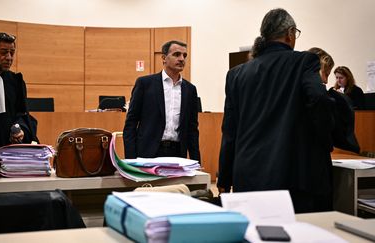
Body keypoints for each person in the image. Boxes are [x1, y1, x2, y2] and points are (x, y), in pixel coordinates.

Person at [218, 8, 334, 213]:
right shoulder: (304, 62)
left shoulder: (236, 74)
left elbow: (229, 131)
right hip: (291, 173)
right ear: (290, 33)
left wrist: (225, 177)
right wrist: (324, 140)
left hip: (247, 174)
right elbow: (319, 99)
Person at [123, 40, 200, 161]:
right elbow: (131, 124)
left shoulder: (190, 89)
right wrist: (131, 160)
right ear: (164, 58)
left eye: (184, 56)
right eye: (176, 54)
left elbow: (192, 129)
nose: (182, 59)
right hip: (147, 153)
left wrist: (196, 162)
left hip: (177, 153)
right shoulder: (145, 84)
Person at [0, 32, 38, 149]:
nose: (9, 58)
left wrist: (21, 130)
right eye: (3, 52)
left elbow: (22, 114)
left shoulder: (15, 81)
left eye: (12, 53)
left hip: (9, 148)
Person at [308, 47, 360, 153]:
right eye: (326, 74)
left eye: (341, 78)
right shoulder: (323, 95)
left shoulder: (351, 93)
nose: (326, 81)